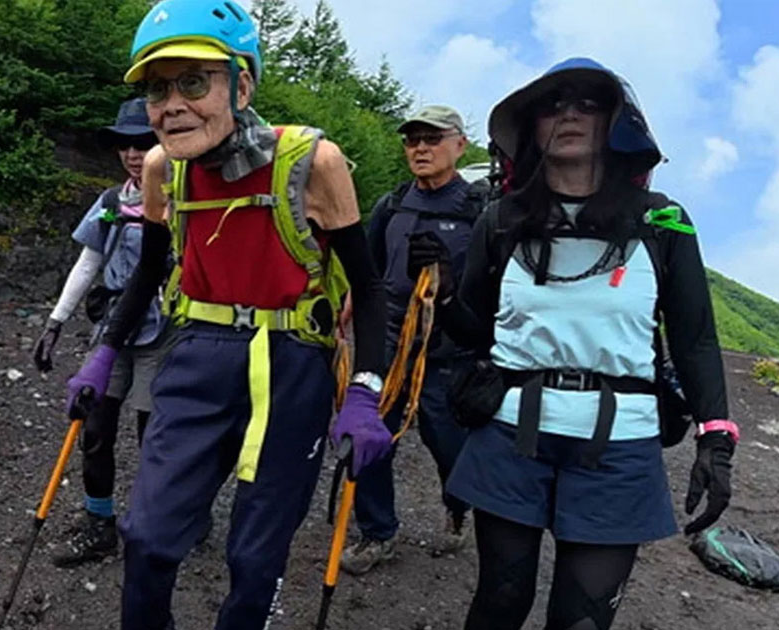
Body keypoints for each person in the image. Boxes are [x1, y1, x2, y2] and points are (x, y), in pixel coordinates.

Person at [63, 1, 389, 627]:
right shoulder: (162, 169)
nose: (171, 105)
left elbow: (369, 290)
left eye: (193, 82)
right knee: (148, 537)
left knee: (255, 557)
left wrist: (365, 392)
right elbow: (148, 274)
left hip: (292, 364)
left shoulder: (313, 163)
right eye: (157, 89)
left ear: (241, 87)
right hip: (197, 353)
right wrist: (103, 354)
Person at [410, 58, 737, 630]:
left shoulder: (664, 223)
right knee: (499, 601)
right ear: (531, 128)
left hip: (620, 444)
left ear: (617, 122)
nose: (568, 115)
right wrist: (442, 292)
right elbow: (476, 332)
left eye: (588, 103)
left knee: (581, 619)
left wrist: (716, 438)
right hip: (509, 434)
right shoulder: (501, 221)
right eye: (552, 105)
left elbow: (695, 338)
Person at [341, 105, 484, 575]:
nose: (420, 148)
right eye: (412, 140)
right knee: (371, 436)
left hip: (448, 351)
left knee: (450, 446)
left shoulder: (479, 210)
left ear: (459, 145)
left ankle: (457, 506)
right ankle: (377, 532)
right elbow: (369, 268)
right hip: (388, 345)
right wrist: (349, 304)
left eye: (432, 139)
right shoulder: (393, 204)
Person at [32, 97, 173, 567]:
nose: (134, 154)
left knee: (154, 435)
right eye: (125, 145)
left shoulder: (181, 201)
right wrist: (56, 321)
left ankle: (162, 521)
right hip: (113, 329)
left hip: (163, 331)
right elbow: (88, 261)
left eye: (143, 143)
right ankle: (99, 522)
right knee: (94, 426)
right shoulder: (111, 203)